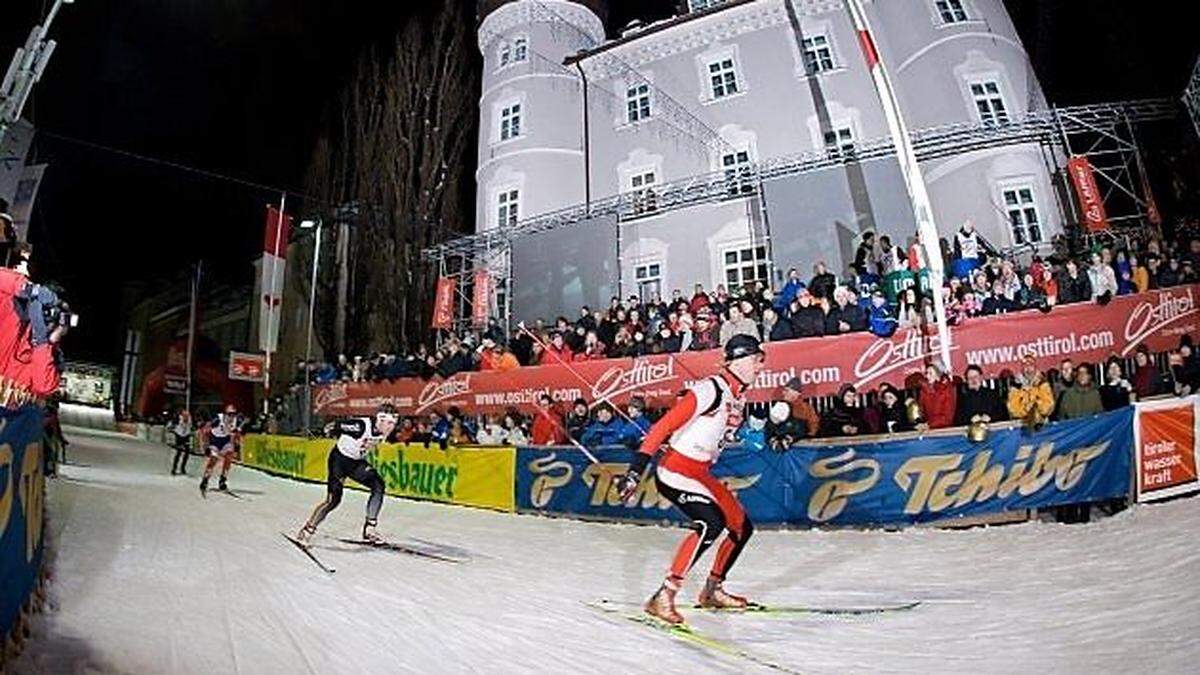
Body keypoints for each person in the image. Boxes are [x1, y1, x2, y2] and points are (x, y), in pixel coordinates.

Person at [613, 335, 767, 624]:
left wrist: (749, 437)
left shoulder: (738, 397)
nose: (760, 367)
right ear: (738, 361)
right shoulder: (712, 389)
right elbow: (661, 427)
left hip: (700, 472)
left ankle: (713, 590)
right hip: (675, 470)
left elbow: (721, 434)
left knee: (741, 528)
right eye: (757, 360)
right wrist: (635, 472)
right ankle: (664, 595)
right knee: (711, 522)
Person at [295, 404, 398, 547]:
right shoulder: (361, 426)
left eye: (393, 423)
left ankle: (370, 529)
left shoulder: (385, 431)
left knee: (378, 484)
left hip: (356, 463)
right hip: (339, 461)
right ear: (379, 420)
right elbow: (335, 426)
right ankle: (307, 530)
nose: (391, 427)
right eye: (389, 423)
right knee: (334, 500)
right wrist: (318, 433)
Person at [199, 404, 244, 495]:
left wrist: (237, 446)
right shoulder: (218, 419)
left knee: (229, 457)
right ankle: (206, 478)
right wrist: (205, 446)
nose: (231, 417)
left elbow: (236, 433)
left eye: (233, 414)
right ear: (225, 414)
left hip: (225, 440)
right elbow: (205, 431)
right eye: (229, 414)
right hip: (214, 440)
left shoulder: (236, 420)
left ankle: (223, 479)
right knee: (214, 459)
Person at [1007, 355, 1055, 426]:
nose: (1028, 368)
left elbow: (1049, 405)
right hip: (1022, 423)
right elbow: (1012, 408)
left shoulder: (1042, 383)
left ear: (1035, 367)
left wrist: (1036, 408)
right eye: (1025, 366)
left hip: (1041, 422)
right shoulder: (1016, 386)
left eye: (1031, 365)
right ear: (1022, 368)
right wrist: (1026, 410)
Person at [917, 362, 957, 429]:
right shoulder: (924, 390)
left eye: (931, 373)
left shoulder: (947, 389)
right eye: (926, 373)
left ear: (938, 375)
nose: (927, 376)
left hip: (944, 430)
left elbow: (947, 417)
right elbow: (922, 412)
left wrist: (929, 424)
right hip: (928, 429)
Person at [170, 409, 193, 475]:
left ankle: (183, 468)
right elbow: (173, 425)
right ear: (182, 415)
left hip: (186, 436)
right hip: (179, 435)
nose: (186, 417)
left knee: (187, 452)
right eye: (184, 415)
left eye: (187, 416)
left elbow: (190, 426)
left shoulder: (190, 419)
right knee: (179, 452)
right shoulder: (178, 419)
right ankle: (174, 468)